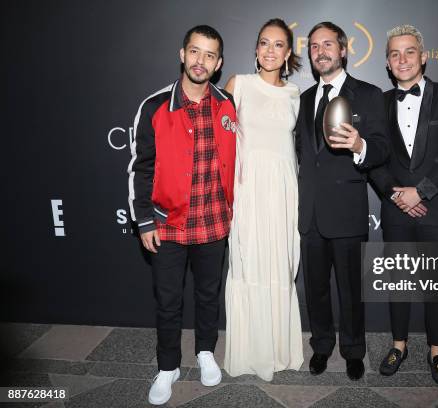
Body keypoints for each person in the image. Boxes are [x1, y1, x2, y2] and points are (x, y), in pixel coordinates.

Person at [127, 25, 237, 405]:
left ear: (218, 63)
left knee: (209, 295)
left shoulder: (227, 105)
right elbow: (140, 169)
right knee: (168, 300)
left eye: (209, 55)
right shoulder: (155, 106)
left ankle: (205, 351)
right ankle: (168, 367)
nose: (200, 61)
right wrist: (143, 220)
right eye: (195, 52)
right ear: (182, 54)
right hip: (168, 224)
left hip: (213, 222)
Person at [369, 24, 438, 386]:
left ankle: (436, 351)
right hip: (396, 209)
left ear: (423, 57)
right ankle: (399, 345)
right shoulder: (378, 103)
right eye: (395, 53)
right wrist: (398, 195)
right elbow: (374, 160)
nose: (403, 59)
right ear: (387, 62)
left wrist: (420, 192)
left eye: (410, 51)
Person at [296, 21, 389, 381]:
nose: (321, 51)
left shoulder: (368, 94)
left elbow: (382, 148)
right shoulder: (303, 100)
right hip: (311, 215)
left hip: (347, 213)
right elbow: (301, 153)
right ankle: (321, 345)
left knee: (351, 290)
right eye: (315, 46)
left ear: (344, 49)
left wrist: (360, 146)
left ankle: (353, 350)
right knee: (316, 289)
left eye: (328, 45)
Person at [223, 18, 304, 381]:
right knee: (249, 263)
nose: (270, 51)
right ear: (256, 49)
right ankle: (250, 353)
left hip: (284, 192)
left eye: (278, 45)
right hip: (248, 189)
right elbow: (221, 143)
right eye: (264, 43)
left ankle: (278, 349)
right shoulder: (237, 85)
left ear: (288, 53)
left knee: (280, 266)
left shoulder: (295, 94)